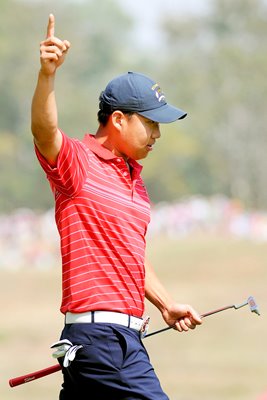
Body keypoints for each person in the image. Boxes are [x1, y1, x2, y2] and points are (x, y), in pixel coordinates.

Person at [31, 13, 202, 400]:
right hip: (102, 340)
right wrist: (47, 76)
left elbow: (128, 257)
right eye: (151, 123)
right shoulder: (78, 164)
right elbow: (44, 132)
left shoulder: (136, 184)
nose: (157, 134)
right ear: (119, 120)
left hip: (111, 338)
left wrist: (166, 303)